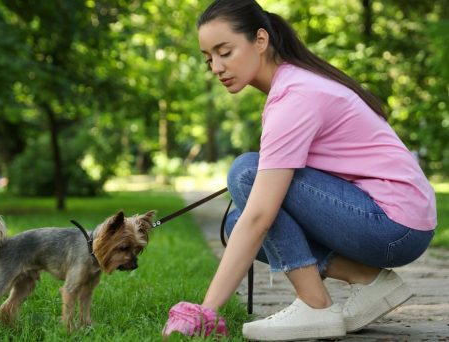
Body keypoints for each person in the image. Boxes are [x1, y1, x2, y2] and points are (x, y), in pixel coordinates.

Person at [161, 0, 437, 341]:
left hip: (393, 224)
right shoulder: (293, 85)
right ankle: (368, 281)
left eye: (225, 51)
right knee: (235, 226)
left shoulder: (295, 95)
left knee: (246, 172)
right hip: (395, 221)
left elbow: (262, 213)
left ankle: (314, 304)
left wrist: (207, 309)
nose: (216, 67)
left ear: (260, 41)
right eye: (209, 59)